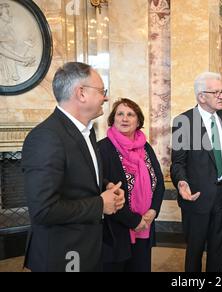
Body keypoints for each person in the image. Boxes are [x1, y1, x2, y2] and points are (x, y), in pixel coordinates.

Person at [22, 62, 125, 272]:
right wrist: (100, 204)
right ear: (81, 93)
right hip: (62, 256)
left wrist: (107, 189)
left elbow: (79, 176)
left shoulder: (87, 131)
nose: (105, 97)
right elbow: (43, 209)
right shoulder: (46, 137)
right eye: (101, 91)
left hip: (88, 249)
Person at [170, 72, 222, 272]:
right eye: (215, 92)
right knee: (195, 251)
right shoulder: (183, 122)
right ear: (201, 96)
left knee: (219, 249)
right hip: (197, 197)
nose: (221, 95)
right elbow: (177, 163)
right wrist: (182, 182)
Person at [98, 98, 165, 272]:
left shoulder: (146, 147)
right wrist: (135, 221)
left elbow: (158, 182)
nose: (124, 118)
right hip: (116, 232)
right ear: (113, 119)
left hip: (145, 226)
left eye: (130, 114)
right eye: (120, 114)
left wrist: (153, 211)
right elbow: (104, 190)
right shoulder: (102, 149)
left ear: (138, 121)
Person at [0, 2, 35, 84]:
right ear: (0, 16)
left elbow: (14, 42)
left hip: (9, 52)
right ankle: (22, 61)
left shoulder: (8, 28)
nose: (10, 15)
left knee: (8, 46)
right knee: (4, 46)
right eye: (7, 13)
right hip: (4, 53)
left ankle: (21, 62)